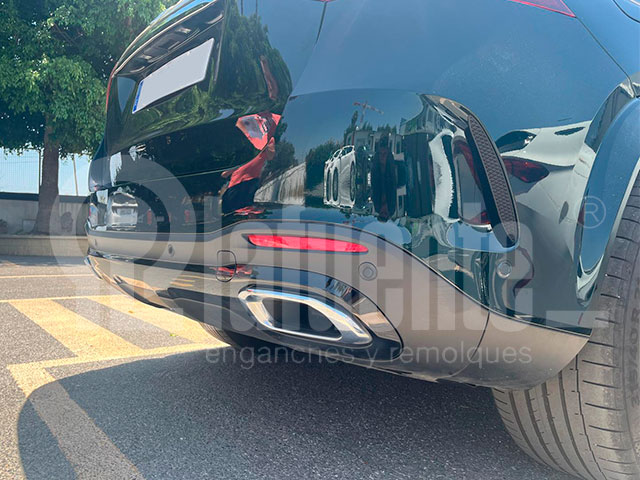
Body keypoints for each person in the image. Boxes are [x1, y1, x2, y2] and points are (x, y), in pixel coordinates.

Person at [370, 135, 397, 221]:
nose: (382, 156)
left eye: (385, 154)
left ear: (388, 156)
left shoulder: (395, 171)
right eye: (380, 154)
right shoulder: (374, 171)